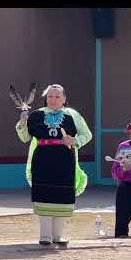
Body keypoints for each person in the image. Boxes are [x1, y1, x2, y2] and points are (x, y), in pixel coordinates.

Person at [16, 84, 92, 246]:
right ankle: (45, 236)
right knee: (44, 196)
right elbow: (25, 137)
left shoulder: (73, 115)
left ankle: (58, 236)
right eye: (50, 96)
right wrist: (23, 122)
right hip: (42, 160)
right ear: (46, 98)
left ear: (64, 98)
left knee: (61, 197)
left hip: (65, 160)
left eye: (57, 96)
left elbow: (87, 134)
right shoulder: (36, 115)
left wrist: (75, 140)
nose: (53, 99)